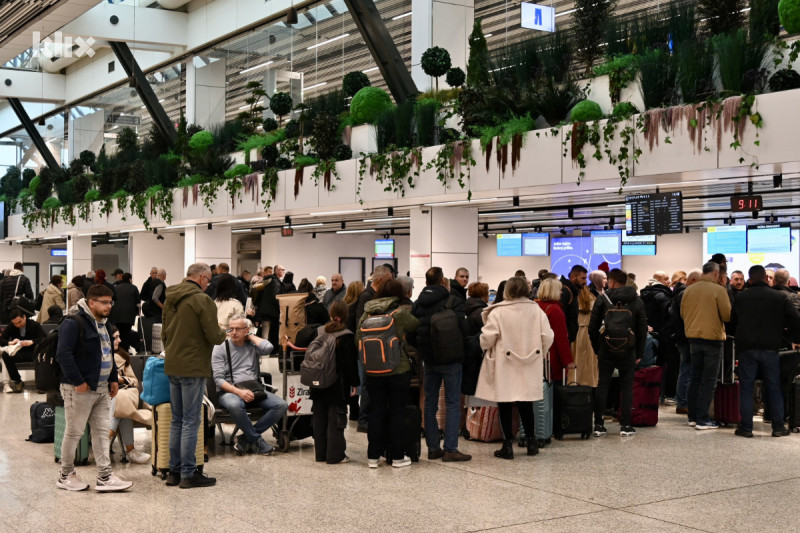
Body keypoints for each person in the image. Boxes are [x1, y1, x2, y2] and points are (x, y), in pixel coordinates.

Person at [55, 285, 133, 492]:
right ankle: (65, 474)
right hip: (78, 388)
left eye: (110, 302)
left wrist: (114, 378)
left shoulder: (106, 325)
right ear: (91, 303)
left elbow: (107, 354)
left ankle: (105, 476)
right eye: (105, 302)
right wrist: (78, 382)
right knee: (74, 432)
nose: (109, 306)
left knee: (101, 432)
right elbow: (63, 355)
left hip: (101, 388)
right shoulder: (74, 323)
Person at [162, 263, 226, 488]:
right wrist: (223, 330)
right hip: (193, 366)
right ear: (201, 277)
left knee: (177, 420)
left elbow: (164, 333)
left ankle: (174, 472)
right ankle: (189, 474)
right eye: (208, 280)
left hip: (172, 364)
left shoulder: (171, 297)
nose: (208, 285)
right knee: (191, 420)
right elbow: (214, 335)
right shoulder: (202, 300)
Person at [475, 276, 554, 459]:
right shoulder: (537, 311)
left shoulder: (498, 312)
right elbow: (548, 336)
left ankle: (507, 445)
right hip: (530, 363)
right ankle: (532, 442)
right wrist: (538, 353)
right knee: (526, 403)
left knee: (504, 404)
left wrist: (484, 347)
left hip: (505, 363)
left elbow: (487, 338)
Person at [730, 265, 800, 438]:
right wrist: (793, 338)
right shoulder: (778, 297)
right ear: (766, 278)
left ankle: (746, 428)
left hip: (746, 349)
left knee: (746, 388)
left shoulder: (741, 297)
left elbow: (731, 322)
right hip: (770, 348)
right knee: (774, 387)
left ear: (750, 279)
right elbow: (795, 320)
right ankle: (778, 427)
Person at [411, 267, 471, 463]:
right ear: (442, 281)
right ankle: (451, 449)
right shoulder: (453, 301)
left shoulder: (418, 303)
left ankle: (433, 447)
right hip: (451, 358)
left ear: (427, 282)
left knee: (430, 402)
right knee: (453, 402)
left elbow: (412, 331)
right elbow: (465, 330)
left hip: (429, 360)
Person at [356, 279, 419, 468]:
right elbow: (416, 324)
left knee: (376, 412)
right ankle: (398, 456)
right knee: (397, 412)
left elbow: (358, 339)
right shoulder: (398, 313)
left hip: (373, 371)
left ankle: (373, 457)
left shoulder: (367, 313)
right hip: (397, 370)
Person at [211, 314, 287, 456]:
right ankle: (257, 440)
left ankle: (245, 439)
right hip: (230, 391)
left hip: (254, 388)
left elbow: (269, 347)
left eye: (238, 329)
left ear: (247, 330)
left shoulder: (252, 345)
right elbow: (218, 380)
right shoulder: (221, 347)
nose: (233, 332)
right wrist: (239, 392)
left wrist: (250, 336)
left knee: (281, 405)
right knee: (234, 405)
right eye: (230, 329)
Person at [588, 268, 648, 437]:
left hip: (606, 349)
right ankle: (626, 425)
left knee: (603, 384)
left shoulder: (603, 298)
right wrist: (639, 353)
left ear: (613, 282)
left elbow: (593, 327)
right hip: (628, 349)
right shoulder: (636, 301)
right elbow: (642, 329)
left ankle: (599, 424)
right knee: (627, 386)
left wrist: (597, 348)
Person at [681, 262, 732, 430]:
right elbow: (726, 315)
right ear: (716, 274)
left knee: (694, 378)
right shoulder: (719, 290)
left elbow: (683, 313)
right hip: (712, 339)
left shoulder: (689, 290)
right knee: (709, 380)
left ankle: (692, 417)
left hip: (693, 339)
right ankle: (703, 419)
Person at [310, 301, 359, 464]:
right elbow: (351, 364)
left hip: (317, 381)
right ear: (346, 315)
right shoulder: (347, 335)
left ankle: (320, 454)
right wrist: (354, 383)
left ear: (330, 314)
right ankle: (335, 455)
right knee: (336, 419)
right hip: (337, 384)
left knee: (319, 418)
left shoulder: (318, 331)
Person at [353, 266, 392, 433]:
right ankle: (363, 419)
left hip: (373, 346)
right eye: (389, 279)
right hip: (367, 347)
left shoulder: (373, 295)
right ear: (381, 280)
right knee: (367, 384)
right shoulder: (366, 296)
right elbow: (361, 324)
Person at [109, 343, 153, 464]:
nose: (119, 340)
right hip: (105, 399)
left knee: (122, 400)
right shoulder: (99, 356)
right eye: (116, 337)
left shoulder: (123, 357)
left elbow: (134, 381)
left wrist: (120, 379)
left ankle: (107, 438)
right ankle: (131, 451)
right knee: (122, 404)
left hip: (124, 395)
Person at [671, 269, 702, 415]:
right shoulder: (685, 294)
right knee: (686, 370)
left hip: (682, 336)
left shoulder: (679, 293)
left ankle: (683, 401)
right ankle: (683, 402)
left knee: (685, 370)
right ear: (694, 281)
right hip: (686, 337)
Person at [537, 278, 575, 382]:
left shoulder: (536, 306)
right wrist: (568, 360)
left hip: (538, 357)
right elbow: (561, 338)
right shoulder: (555, 310)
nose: (561, 292)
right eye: (559, 289)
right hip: (553, 358)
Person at [1, 308, 46, 393]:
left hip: (33, 352)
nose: (18, 325)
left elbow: (44, 338)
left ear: (24, 317)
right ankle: (17, 381)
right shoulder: (11, 326)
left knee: (41, 355)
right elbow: (2, 339)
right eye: (15, 323)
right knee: (5, 355)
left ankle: (40, 383)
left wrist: (32, 342)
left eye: (20, 322)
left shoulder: (34, 325)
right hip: (19, 352)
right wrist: (10, 342)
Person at [252, 264, 284, 349]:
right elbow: (275, 296)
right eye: (282, 270)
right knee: (267, 331)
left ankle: (263, 348)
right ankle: (264, 349)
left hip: (264, 310)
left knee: (265, 330)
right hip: (271, 310)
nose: (283, 271)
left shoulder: (266, 282)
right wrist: (279, 307)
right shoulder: (274, 282)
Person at [573, 285, 599, 387]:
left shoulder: (573, 300)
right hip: (590, 332)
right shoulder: (594, 299)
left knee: (577, 359)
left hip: (577, 332)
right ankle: (592, 382)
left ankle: (575, 381)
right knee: (591, 361)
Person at [110, 273, 140, 351]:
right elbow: (138, 303)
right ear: (130, 279)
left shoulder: (116, 288)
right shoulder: (134, 288)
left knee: (117, 333)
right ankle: (125, 351)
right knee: (126, 334)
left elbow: (112, 301)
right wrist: (137, 312)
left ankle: (117, 350)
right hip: (128, 316)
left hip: (117, 315)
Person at [560, 265, 587, 343]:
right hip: (564, 337)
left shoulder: (572, 291)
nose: (585, 282)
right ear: (573, 277)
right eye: (583, 278)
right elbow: (561, 315)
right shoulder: (566, 291)